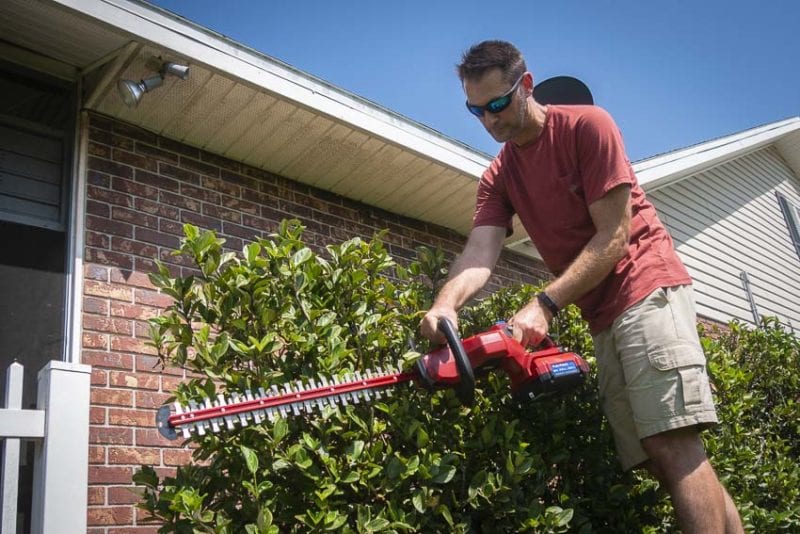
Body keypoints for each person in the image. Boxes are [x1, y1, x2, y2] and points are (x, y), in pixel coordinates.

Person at [419, 40, 743, 533]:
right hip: (601, 312)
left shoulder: (588, 126)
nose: (488, 120)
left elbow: (614, 234)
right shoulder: (499, 176)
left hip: (646, 284)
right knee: (659, 457)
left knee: (670, 440)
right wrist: (446, 305)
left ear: (525, 86)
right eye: (475, 110)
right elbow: (479, 252)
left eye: (498, 104)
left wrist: (544, 303)